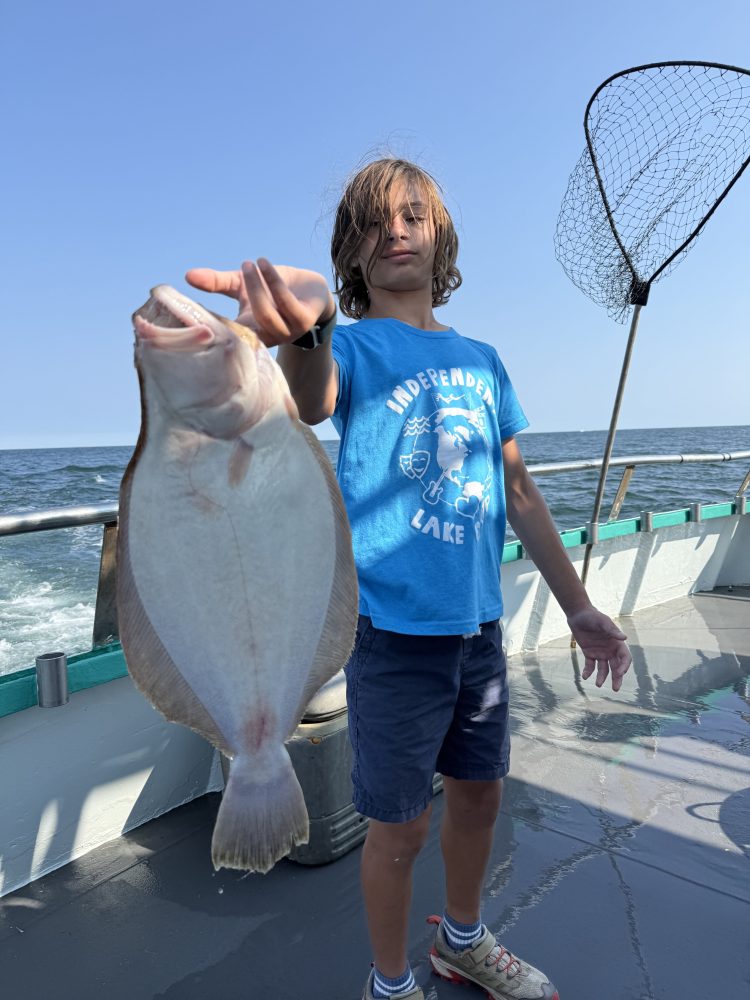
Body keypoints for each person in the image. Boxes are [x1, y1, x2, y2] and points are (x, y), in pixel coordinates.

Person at [187, 157, 631, 1000]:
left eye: (414, 215)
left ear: (441, 239)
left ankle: (461, 940)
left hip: (478, 631)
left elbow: (522, 492)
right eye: (375, 221)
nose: (396, 230)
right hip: (391, 640)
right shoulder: (351, 346)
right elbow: (313, 399)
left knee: (479, 801)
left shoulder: (484, 359)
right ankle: (390, 983)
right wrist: (306, 328)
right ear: (352, 254)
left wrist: (579, 608)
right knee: (399, 829)